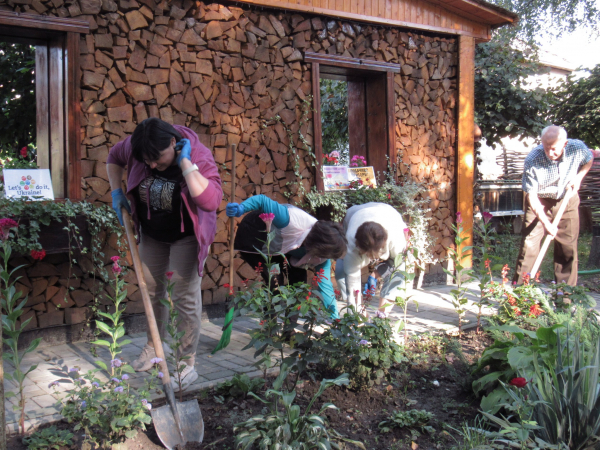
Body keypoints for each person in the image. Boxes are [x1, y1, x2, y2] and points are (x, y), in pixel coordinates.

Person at [107, 117, 222, 391]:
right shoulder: (142, 147)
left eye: (158, 159)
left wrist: (185, 164)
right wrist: (116, 189)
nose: (152, 166)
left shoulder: (198, 155)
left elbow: (210, 201)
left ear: (173, 142)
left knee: (183, 296)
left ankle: (185, 361)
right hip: (152, 233)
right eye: (146, 161)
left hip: (186, 237)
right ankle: (153, 347)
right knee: (152, 290)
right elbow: (114, 155)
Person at [226, 195, 347, 319]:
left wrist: (334, 319)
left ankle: (290, 331)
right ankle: (270, 326)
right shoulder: (289, 219)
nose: (325, 259)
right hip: (255, 237)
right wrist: (241, 208)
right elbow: (262, 200)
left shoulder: (322, 256)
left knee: (299, 284)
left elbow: (325, 286)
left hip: (282, 247)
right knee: (275, 282)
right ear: (319, 247)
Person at [513, 125, 593, 286]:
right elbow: (532, 196)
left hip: (567, 199)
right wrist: (546, 223)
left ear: (565, 143)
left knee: (567, 248)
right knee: (529, 247)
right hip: (539, 201)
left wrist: (579, 177)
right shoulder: (533, 159)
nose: (550, 153)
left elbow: (588, 159)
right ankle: (519, 297)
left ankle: (565, 297)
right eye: (546, 147)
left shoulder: (577, 148)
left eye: (554, 149)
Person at [335, 202, 408, 315]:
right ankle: (360, 313)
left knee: (398, 272)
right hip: (355, 214)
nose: (372, 258)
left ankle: (382, 315)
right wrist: (356, 314)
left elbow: (397, 264)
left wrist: (376, 273)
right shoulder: (351, 241)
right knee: (340, 272)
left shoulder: (396, 237)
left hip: (388, 212)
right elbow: (352, 280)